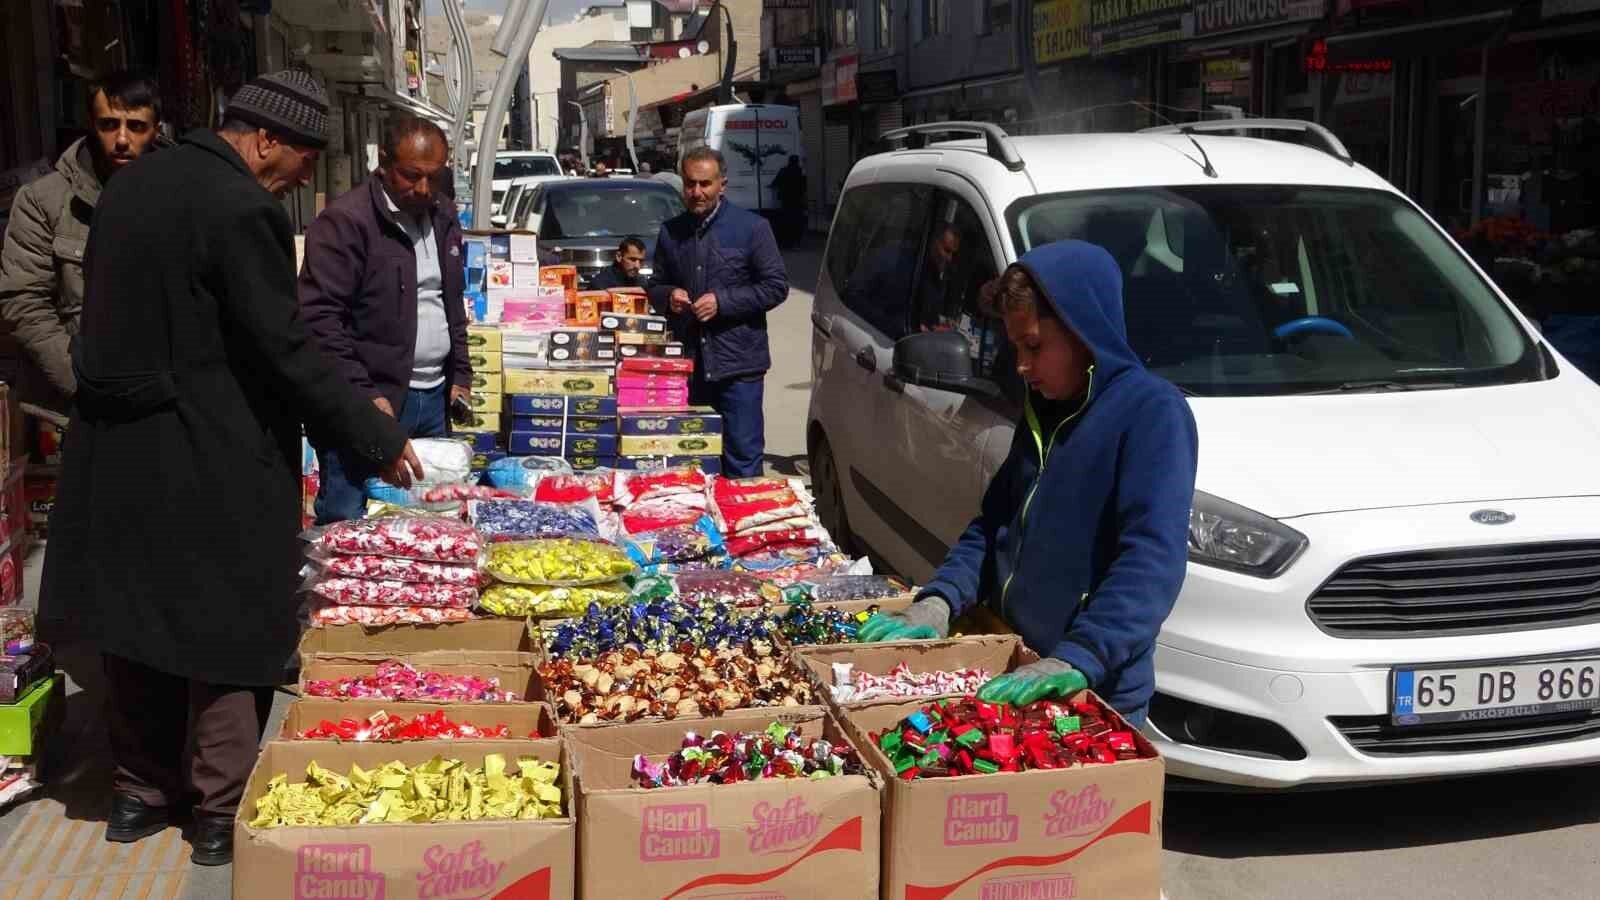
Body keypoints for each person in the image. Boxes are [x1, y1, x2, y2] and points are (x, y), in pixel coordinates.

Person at [39, 70, 423, 866]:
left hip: (120, 447)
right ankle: (218, 812)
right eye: (307, 157)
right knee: (223, 630)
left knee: (136, 624)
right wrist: (371, 433)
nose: (308, 175)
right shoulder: (239, 207)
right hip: (211, 451)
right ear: (264, 139)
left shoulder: (130, 189)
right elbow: (282, 348)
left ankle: (137, 796)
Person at [858, 241, 1198, 727]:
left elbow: (1152, 558)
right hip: (1016, 661)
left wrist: (1080, 656)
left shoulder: (1151, 413)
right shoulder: (1044, 410)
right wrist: (939, 599)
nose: (1021, 364)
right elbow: (994, 523)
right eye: (1016, 346)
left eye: (1034, 345)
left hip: (1094, 697)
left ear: (1086, 331)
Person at [299, 115, 473, 524]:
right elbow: (320, 320)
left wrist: (460, 373)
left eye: (434, 176)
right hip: (367, 403)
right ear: (383, 162)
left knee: (426, 521)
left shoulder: (443, 214)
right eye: (412, 176)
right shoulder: (346, 222)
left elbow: (450, 300)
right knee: (348, 517)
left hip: (433, 398)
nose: (424, 188)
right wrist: (363, 392)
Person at [0, 70, 163, 419]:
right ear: (91, 124)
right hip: (71, 411)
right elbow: (24, 303)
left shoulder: (184, 197)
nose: (121, 139)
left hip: (163, 408)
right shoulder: (43, 201)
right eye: (108, 124)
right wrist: (83, 381)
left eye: (135, 126)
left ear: (156, 130)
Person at [649, 148, 788, 477]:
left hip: (738, 365)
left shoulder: (752, 228)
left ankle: (743, 524)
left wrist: (723, 302)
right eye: (690, 184)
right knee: (692, 459)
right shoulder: (672, 231)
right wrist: (670, 296)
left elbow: (776, 286)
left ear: (722, 185)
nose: (696, 192)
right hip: (690, 366)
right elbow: (655, 285)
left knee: (742, 459)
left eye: (705, 184)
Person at [767, 154, 807, 248]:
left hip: (786, 199)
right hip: (798, 200)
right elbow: (804, 185)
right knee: (797, 220)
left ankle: (788, 241)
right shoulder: (801, 171)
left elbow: (775, 182)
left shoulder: (784, 170)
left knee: (787, 219)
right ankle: (797, 242)